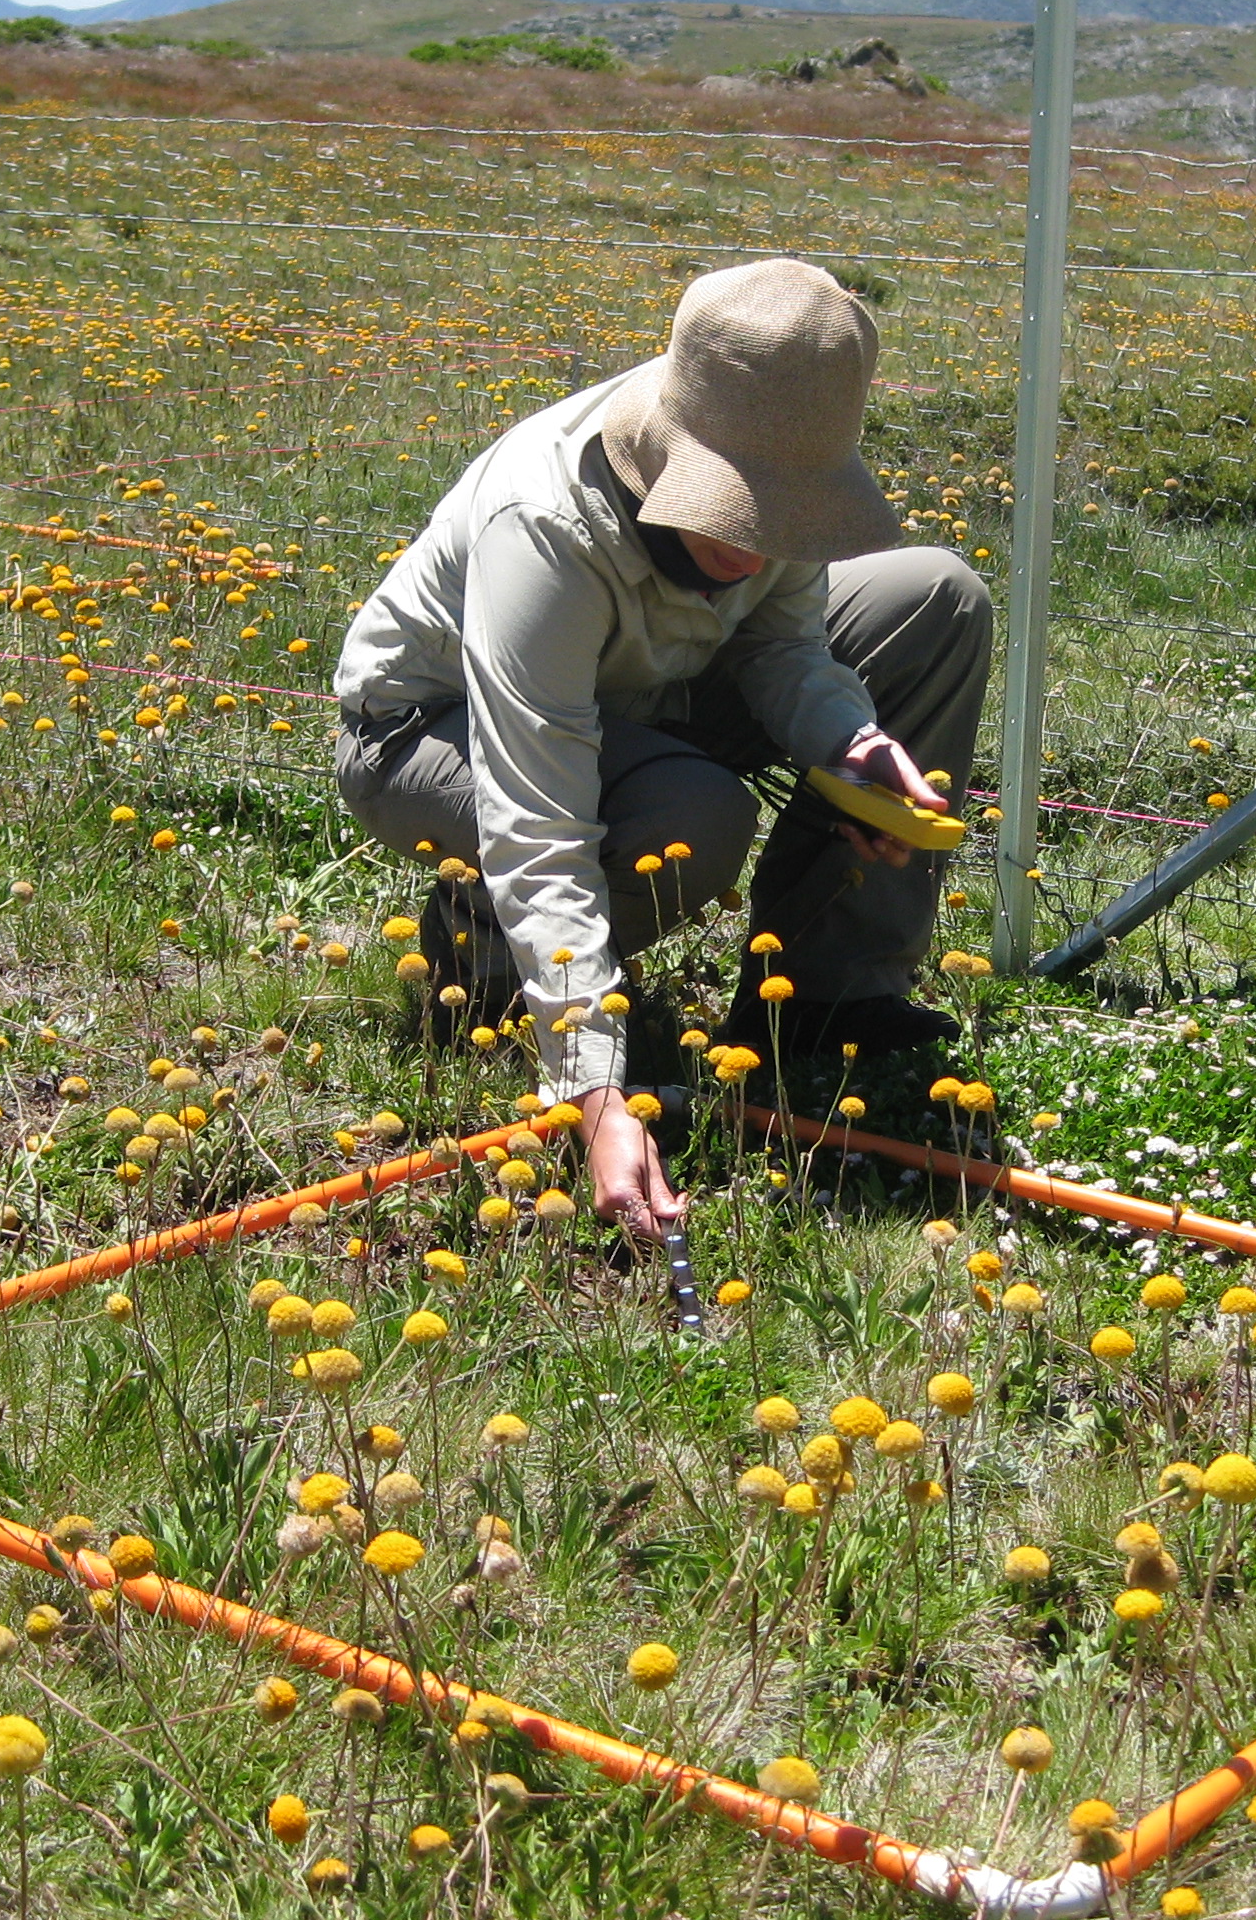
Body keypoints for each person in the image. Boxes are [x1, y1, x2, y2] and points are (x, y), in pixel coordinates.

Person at [334, 257, 992, 1242]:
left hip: (641, 693)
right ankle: (480, 959)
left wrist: (851, 743)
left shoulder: (774, 417)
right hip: (430, 727)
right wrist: (596, 1095)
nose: (760, 544)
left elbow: (783, 647)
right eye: (740, 510)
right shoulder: (545, 528)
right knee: (693, 821)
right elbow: (539, 822)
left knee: (937, 599)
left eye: (784, 516)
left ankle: (826, 1001)